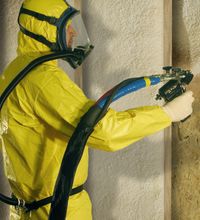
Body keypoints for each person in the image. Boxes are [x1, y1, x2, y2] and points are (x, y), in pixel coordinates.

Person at [0, 0, 194, 219]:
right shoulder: (43, 80)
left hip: (26, 211)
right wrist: (167, 114)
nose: (73, 32)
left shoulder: (15, 71)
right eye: (65, 26)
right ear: (43, 29)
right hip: (58, 209)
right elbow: (100, 129)